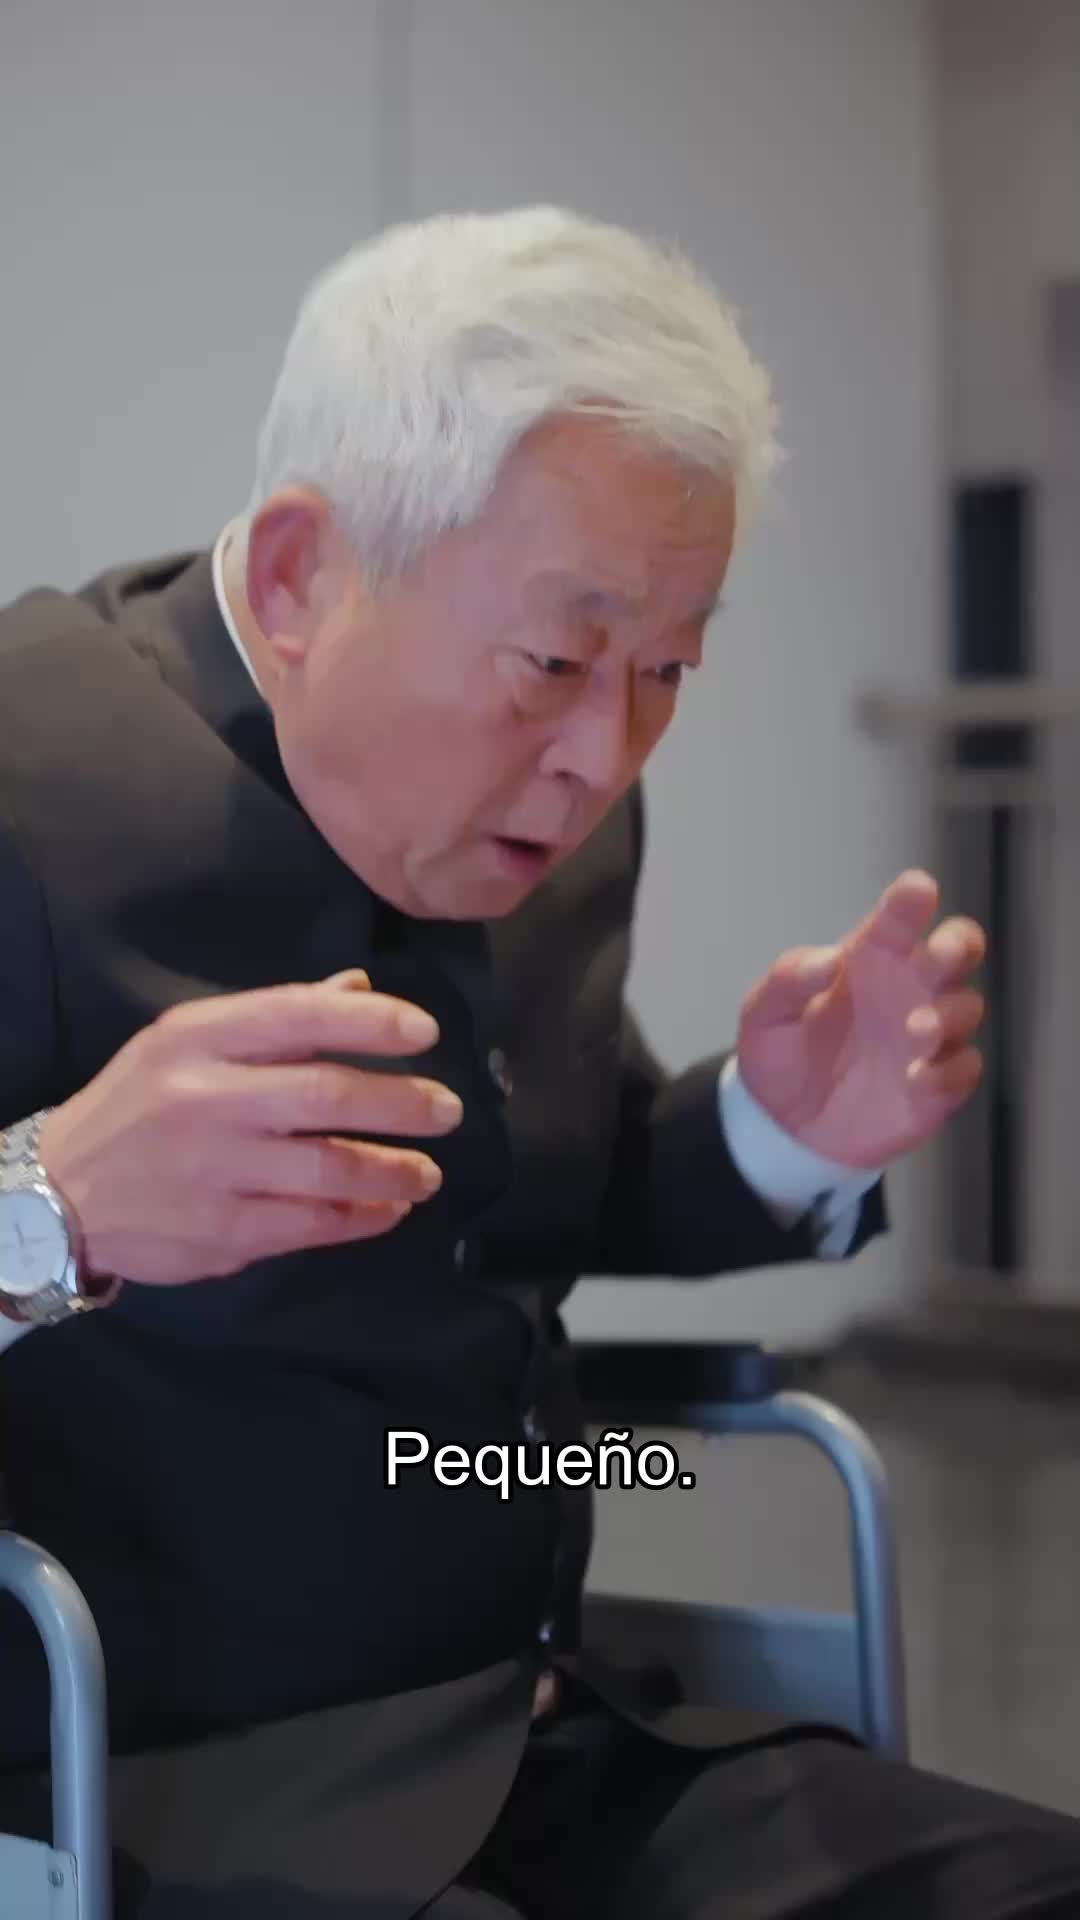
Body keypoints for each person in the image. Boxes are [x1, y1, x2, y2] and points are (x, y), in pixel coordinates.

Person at [0, 206, 1075, 1919]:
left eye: (668, 669)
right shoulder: (25, 776)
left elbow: (535, 1183)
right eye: (558, 659)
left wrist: (784, 1130)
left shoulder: (559, 814)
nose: (605, 754)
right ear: (298, 578)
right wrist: (44, 1208)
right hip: (149, 1804)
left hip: (540, 1738)